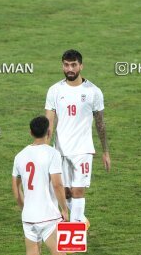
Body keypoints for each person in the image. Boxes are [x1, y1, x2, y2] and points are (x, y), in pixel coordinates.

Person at [12, 116, 75, 255]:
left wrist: (24, 206)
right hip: (48, 216)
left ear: (31, 132)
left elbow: (16, 186)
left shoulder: (20, 155)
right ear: (49, 132)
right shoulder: (52, 154)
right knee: (59, 253)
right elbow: (57, 184)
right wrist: (64, 209)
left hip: (28, 216)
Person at [45, 49, 110, 225]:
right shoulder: (54, 90)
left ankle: (75, 229)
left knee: (77, 191)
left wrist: (105, 151)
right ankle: (80, 219)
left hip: (83, 150)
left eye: (74, 65)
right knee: (64, 192)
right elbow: (49, 122)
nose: (70, 69)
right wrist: (45, 148)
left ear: (81, 66)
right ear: (62, 66)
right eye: (66, 65)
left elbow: (100, 123)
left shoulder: (93, 92)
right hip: (60, 150)